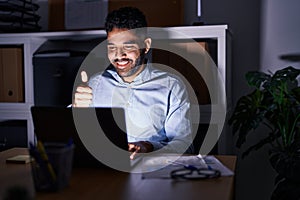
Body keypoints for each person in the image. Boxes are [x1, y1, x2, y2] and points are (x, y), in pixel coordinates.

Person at [73, 7, 193, 159]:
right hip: (104, 169)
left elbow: (184, 145)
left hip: (150, 170)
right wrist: (77, 109)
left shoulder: (172, 86)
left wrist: (149, 147)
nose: (119, 55)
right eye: (112, 47)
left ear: (146, 45)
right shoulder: (95, 84)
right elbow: (72, 136)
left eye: (128, 46)